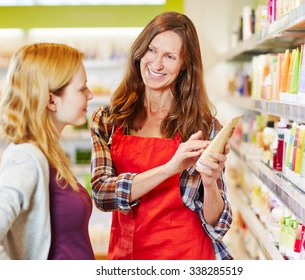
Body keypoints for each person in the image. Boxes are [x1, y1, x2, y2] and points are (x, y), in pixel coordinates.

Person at [90, 11, 233, 260]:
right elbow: (102, 195)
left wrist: (210, 184)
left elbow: (218, 223)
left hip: (187, 256)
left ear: (184, 65)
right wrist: (170, 168)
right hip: (129, 256)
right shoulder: (109, 121)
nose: (156, 64)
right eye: (151, 51)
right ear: (140, 51)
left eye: (169, 56)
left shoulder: (203, 127)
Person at [0, 43, 95, 260]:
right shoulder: (26, 158)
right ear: (51, 100)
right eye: (82, 88)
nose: (91, 94)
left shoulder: (50, 153)